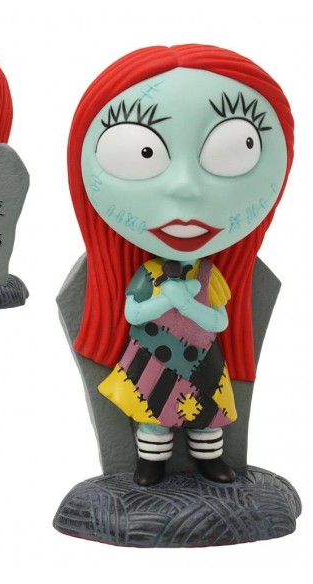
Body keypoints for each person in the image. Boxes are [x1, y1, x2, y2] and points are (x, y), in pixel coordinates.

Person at [67, 45, 294, 485]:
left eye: (237, 147)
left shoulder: (210, 275)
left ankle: (211, 461)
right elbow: (133, 312)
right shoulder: (150, 274)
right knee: (152, 413)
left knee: (206, 414)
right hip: (153, 356)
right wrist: (166, 300)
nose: (186, 187)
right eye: (142, 151)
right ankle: (150, 463)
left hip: (202, 356)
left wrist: (187, 305)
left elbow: (221, 319)